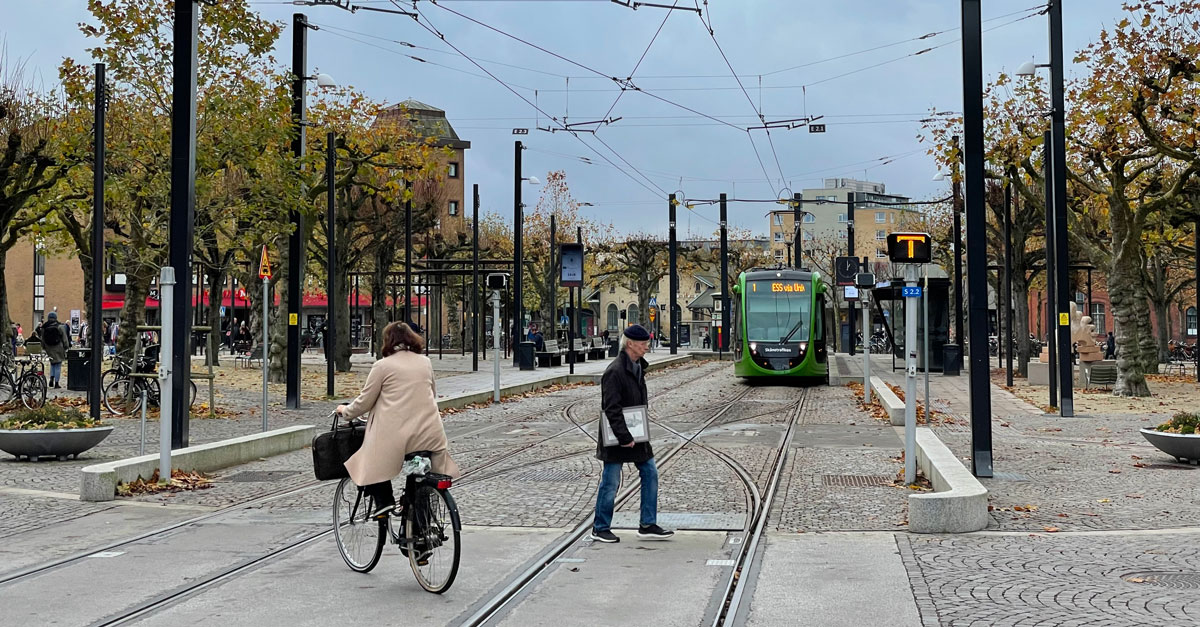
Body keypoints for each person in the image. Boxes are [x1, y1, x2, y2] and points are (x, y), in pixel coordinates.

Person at [336, 322, 460, 519]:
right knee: (418, 475)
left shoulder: (382, 366)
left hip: (395, 439)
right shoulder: (425, 362)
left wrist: (345, 411)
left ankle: (384, 502)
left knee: (368, 458)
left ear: (388, 341)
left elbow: (364, 402)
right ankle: (419, 520)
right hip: (429, 435)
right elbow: (432, 394)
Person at [590, 324, 673, 543]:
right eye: (643, 343)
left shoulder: (637, 367)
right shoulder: (615, 371)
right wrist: (625, 437)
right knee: (611, 480)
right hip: (618, 436)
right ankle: (600, 527)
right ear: (630, 344)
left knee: (650, 473)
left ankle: (647, 523)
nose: (647, 346)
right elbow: (612, 408)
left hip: (637, 433)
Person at [39, 312, 70, 388]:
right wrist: (66, 347)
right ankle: (56, 382)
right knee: (58, 365)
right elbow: (64, 338)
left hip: (49, 347)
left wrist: (43, 347)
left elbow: (42, 338)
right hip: (58, 347)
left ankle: (51, 379)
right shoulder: (60, 326)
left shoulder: (44, 327)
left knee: (52, 363)